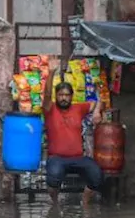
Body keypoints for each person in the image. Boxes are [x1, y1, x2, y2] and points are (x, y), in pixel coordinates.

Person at [42, 62, 103, 205]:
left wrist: (96, 111)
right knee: (53, 178)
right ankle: (55, 203)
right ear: (56, 96)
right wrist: (51, 73)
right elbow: (46, 95)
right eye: (61, 95)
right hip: (56, 158)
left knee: (97, 175)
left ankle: (85, 201)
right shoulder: (50, 109)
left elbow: (99, 102)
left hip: (78, 158)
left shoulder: (78, 108)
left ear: (71, 96)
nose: (64, 98)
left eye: (67, 95)